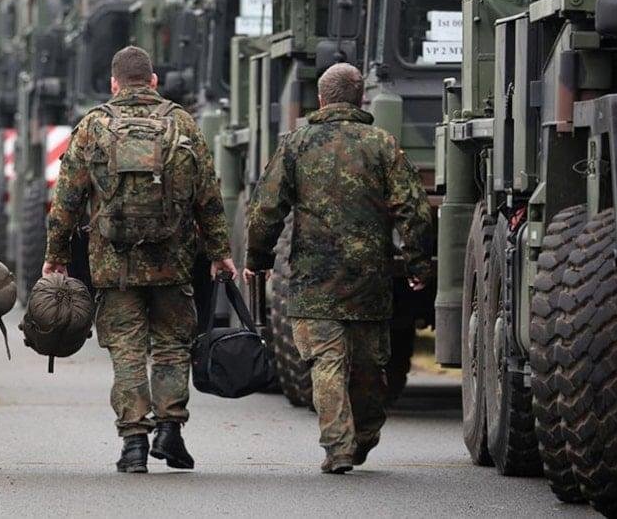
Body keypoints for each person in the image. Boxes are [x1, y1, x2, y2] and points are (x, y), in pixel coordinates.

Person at [42, 46, 235, 474]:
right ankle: (170, 431)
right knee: (171, 345)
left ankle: (133, 444)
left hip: (115, 265)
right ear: (153, 81)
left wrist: (56, 256)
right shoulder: (182, 123)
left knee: (127, 349)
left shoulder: (93, 125)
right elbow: (208, 196)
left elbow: (67, 199)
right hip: (173, 261)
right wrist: (220, 252)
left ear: (114, 84)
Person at [244, 62, 432, 474]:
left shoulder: (296, 144)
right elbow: (413, 209)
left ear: (321, 99)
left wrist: (257, 259)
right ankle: (362, 434)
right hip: (369, 278)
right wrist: (418, 263)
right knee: (367, 366)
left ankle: (338, 445)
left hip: (313, 278)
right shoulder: (382, 144)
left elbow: (266, 209)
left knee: (325, 362)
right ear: (361, 98)